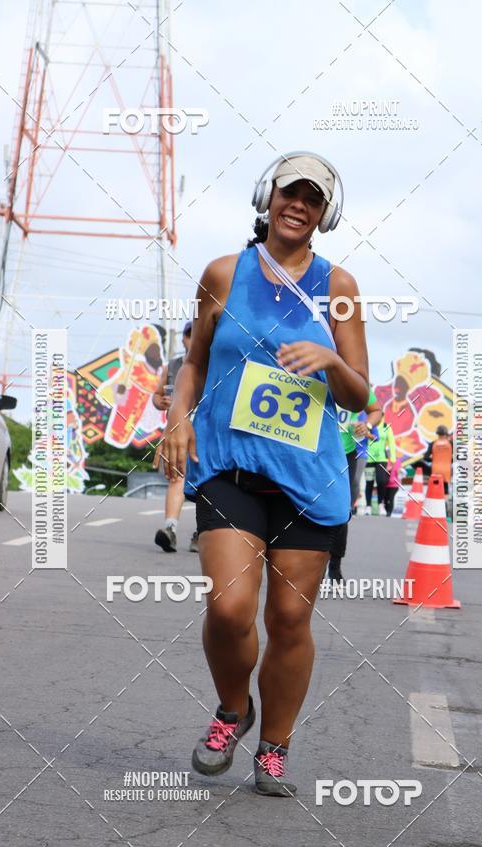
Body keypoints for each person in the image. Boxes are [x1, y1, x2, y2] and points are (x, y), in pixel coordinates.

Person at [162, 152, 369, 796]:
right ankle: (233, 709)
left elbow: (359, 393)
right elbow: (194, 362)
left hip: (308, 478)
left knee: (288, 619)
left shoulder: (340, 288)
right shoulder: (223, 273)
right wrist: (178, 416)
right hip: (231, 466)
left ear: (324, 213)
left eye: (312, 197)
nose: (298, 205)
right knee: (229, 609)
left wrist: (331, 362)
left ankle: (274, 748)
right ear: (268, 197)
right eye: (289, 192)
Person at [152, 321, 198, 553]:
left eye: (197, 334)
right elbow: (156, 395)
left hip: (206, 432)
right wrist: (161, 401)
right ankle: (170, 529)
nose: (193, 339)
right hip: (177, 430)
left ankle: (203, 533)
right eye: (189, 335)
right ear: (183, 339)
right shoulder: (171, 366)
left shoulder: (217, 363)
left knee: (209, 483)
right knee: (176, 477)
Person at [327, 393, 381, 582]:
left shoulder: (352, 381)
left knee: (341, 509)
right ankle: (311, 560)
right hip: (312, 451)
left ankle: (335, 564)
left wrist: (367, 426)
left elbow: (375, 410)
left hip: (345, 454)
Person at [364, 420, 396, 515]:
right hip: (368, 458)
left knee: (381, 481)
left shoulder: (386, 426)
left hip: (382, 458)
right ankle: (368, 506)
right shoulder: (368, 424)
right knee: (369, 482)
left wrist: (393, 458)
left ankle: (380, 504)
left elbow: (391, 443)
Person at [422, 425, 453, 494]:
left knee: (436, 490)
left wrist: (434, 459)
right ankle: (445, 500)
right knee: (445, 489)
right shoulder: (451, 444)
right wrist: (450, 460)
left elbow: (425, 458)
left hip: (436, 470)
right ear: (446, 433)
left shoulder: (433, 443)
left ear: (437, 433)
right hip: (446, 470)